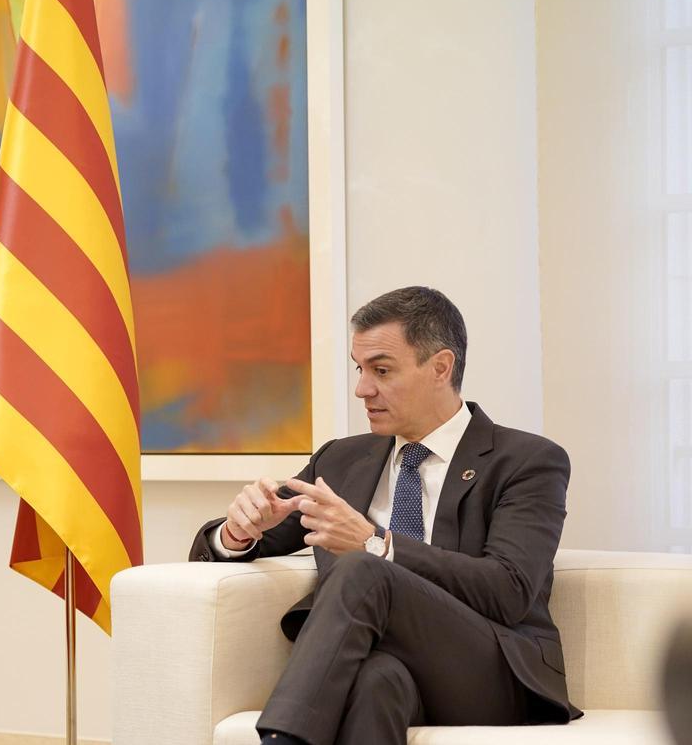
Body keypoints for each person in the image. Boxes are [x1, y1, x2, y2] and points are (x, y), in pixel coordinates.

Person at [190, 287, 581, 745]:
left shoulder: (527, 460)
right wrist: (239, 531)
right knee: (377, 681)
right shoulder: (339, 461)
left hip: (491, 669)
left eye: (381, 370)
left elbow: (509, 591)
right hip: (384, 661)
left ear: (441, 367)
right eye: (360, 370)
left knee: (364, 567)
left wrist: (376, 545)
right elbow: (213, 552)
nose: (362, 389)